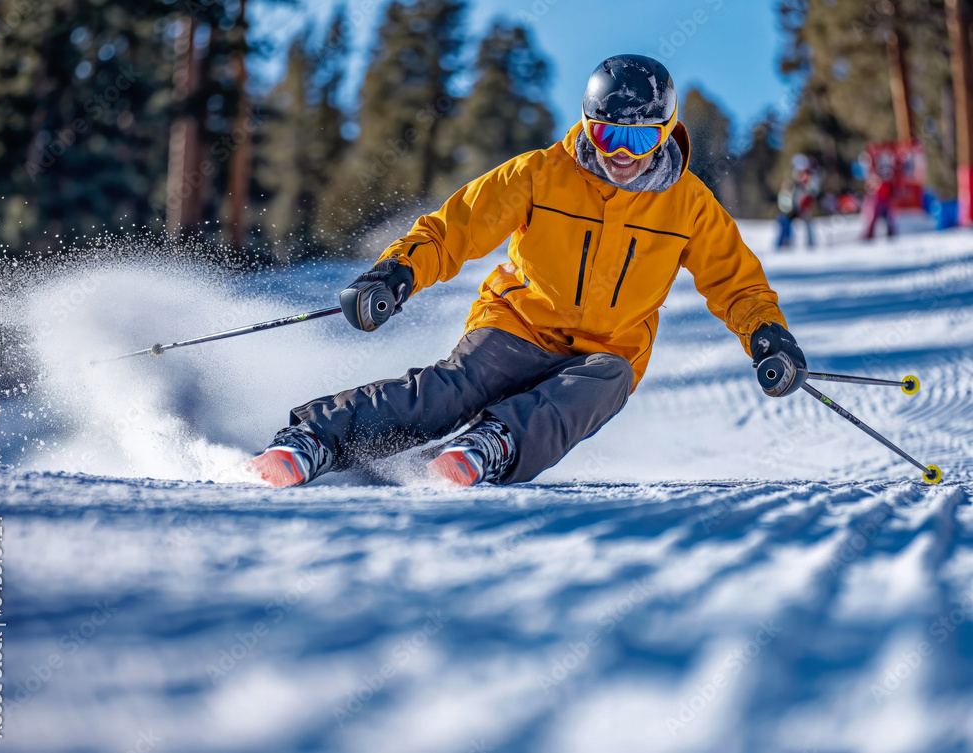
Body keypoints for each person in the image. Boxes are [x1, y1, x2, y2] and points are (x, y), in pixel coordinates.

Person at [246, 54, 808, 488]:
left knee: (604, 382)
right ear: (588, 125)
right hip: (517, 322)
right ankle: (312, 439)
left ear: (666, 131)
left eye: (640, 138)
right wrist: (395, 274)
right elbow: (453, 228)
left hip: (606, 351)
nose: (622, 153)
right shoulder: (542, 174)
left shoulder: (688, 205)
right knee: (449, 392)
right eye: (608, 134)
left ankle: (492, 446)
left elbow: (737, 283)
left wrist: (767, 337)